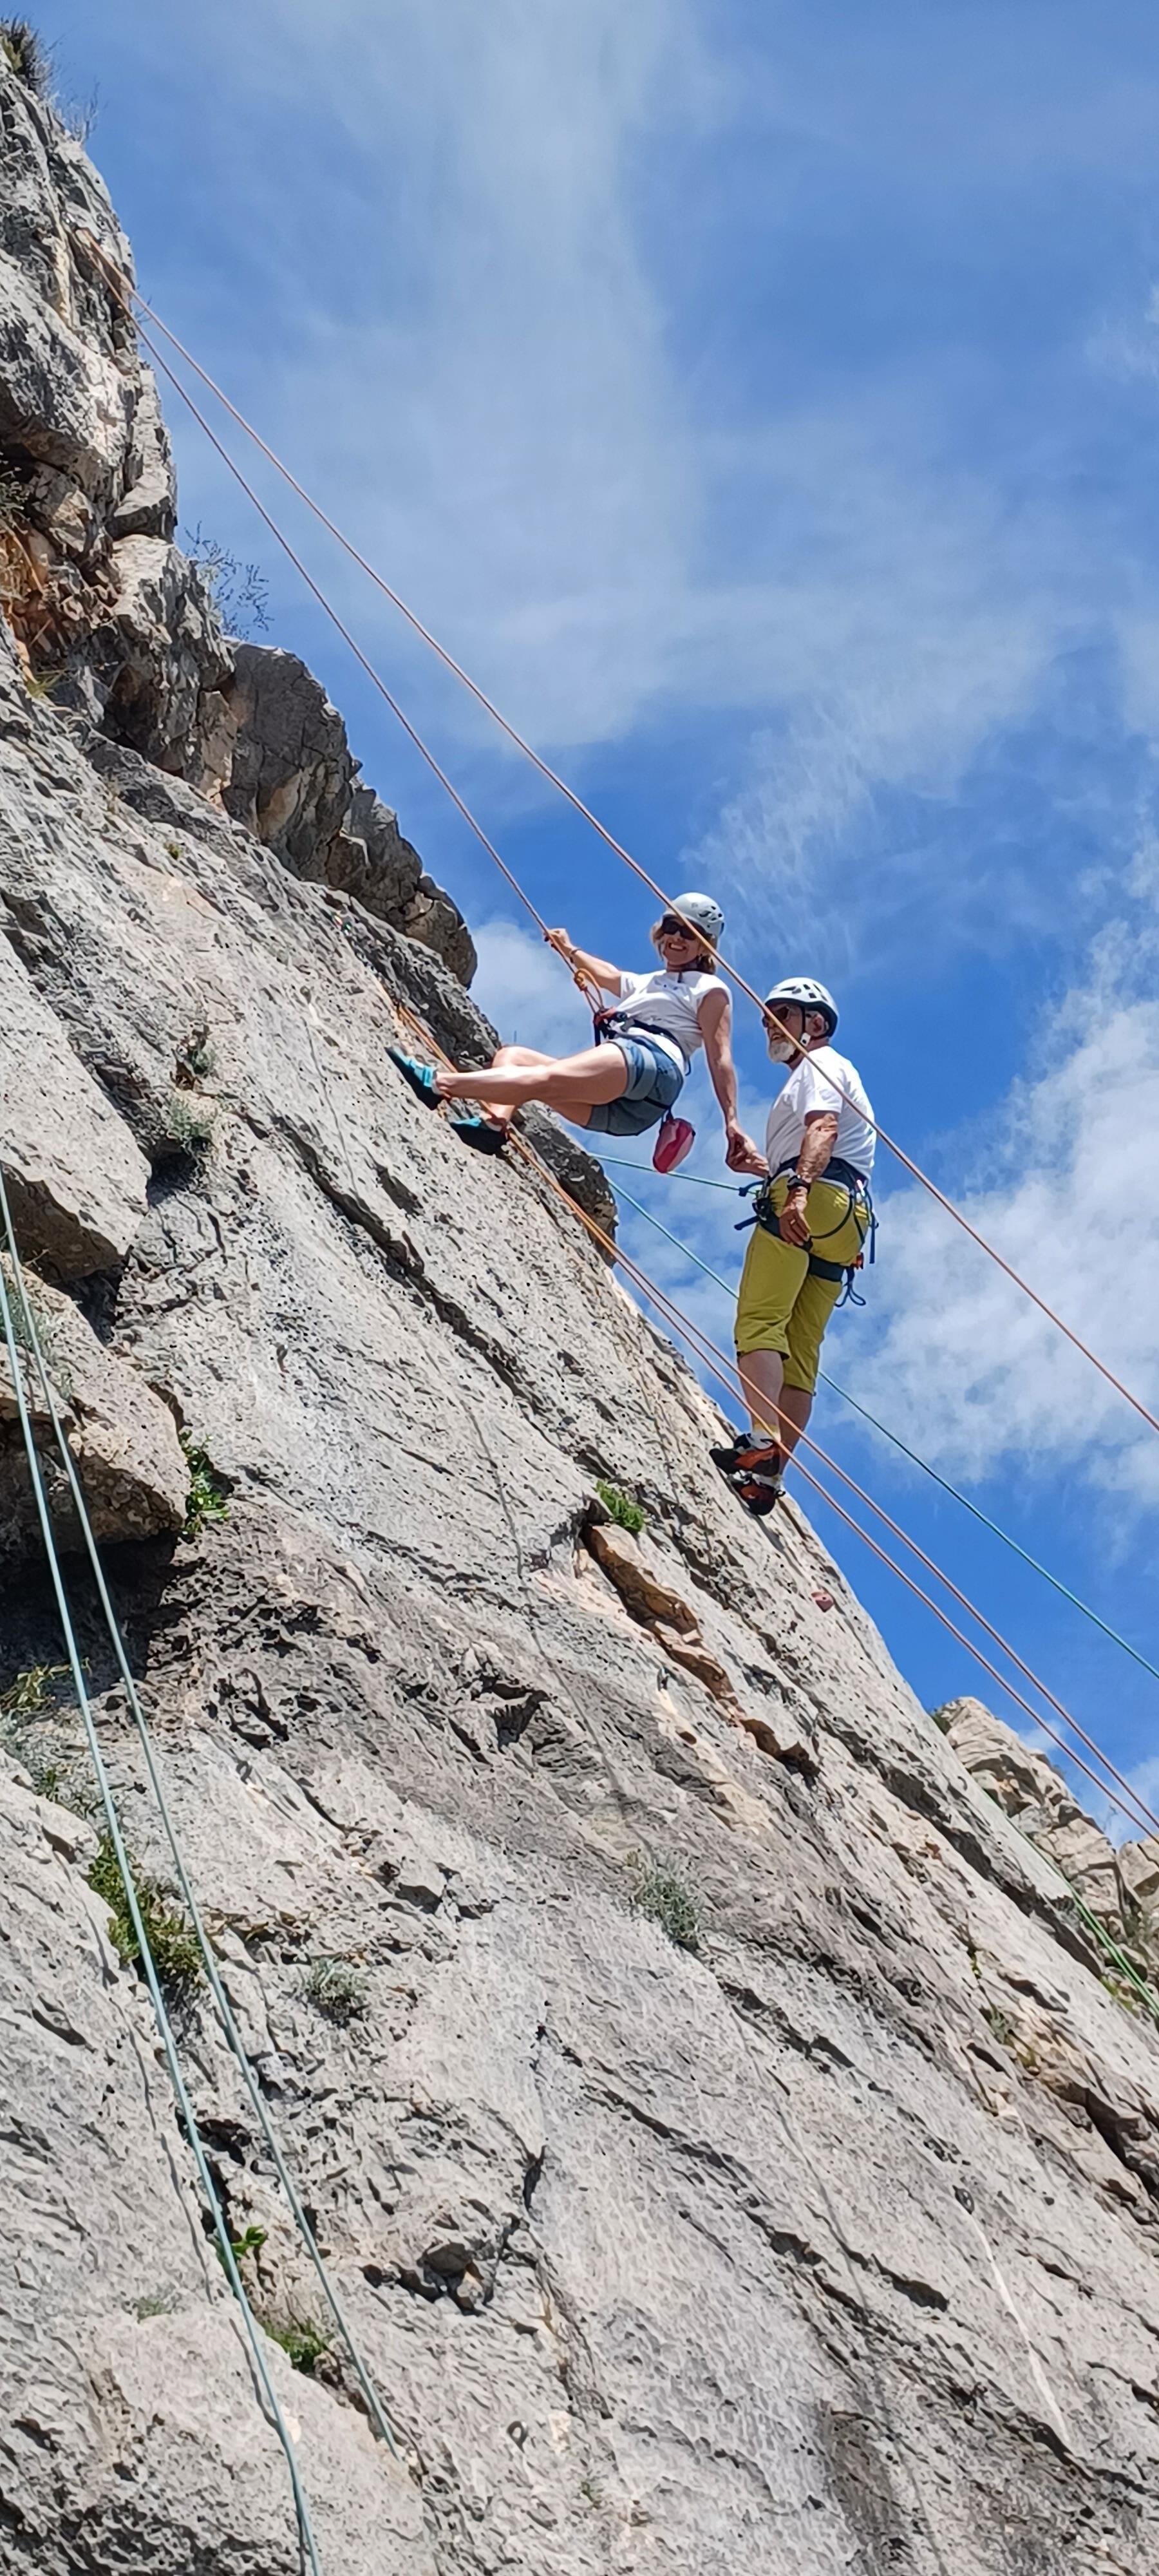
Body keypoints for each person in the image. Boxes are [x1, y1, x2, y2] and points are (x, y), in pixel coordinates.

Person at [389, 893, 758, 1171]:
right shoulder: (650, 983)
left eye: (689, 934)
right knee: (515, 1059)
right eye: (671, 928)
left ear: (705, 946)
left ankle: (437, 1084)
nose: (676, 938)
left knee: (545, 1079)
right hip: (624, 1102)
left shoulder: (710, 989)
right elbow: (609, 975)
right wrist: (569, 949)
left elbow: (720, 1057)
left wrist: (732, 1120)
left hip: (652, 1062)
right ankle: (493, 1125)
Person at [712, 976, 875, 1515]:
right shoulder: (835, 1071)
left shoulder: (819, 1065)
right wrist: (766, 1168)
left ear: (816, 1023)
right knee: (801, 1351)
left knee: (760, 1322)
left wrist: (797, 1190)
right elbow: (831, 1145)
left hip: (813, 1194)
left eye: (781, 1014)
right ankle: (771, 1473)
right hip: (848, 1220)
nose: (770, 1026)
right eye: (766, 1018)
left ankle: (762, 1441)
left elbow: (824, 1128)